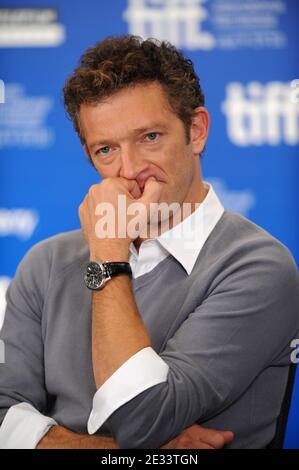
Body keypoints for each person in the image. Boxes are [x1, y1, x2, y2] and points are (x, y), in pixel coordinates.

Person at [0, 35, 298, 450]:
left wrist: (107, 253)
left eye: (150, 138)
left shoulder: (258, 266)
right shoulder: (45, 262)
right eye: (106, 149)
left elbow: (141, 417)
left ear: (196, 131)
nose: (131, 169)